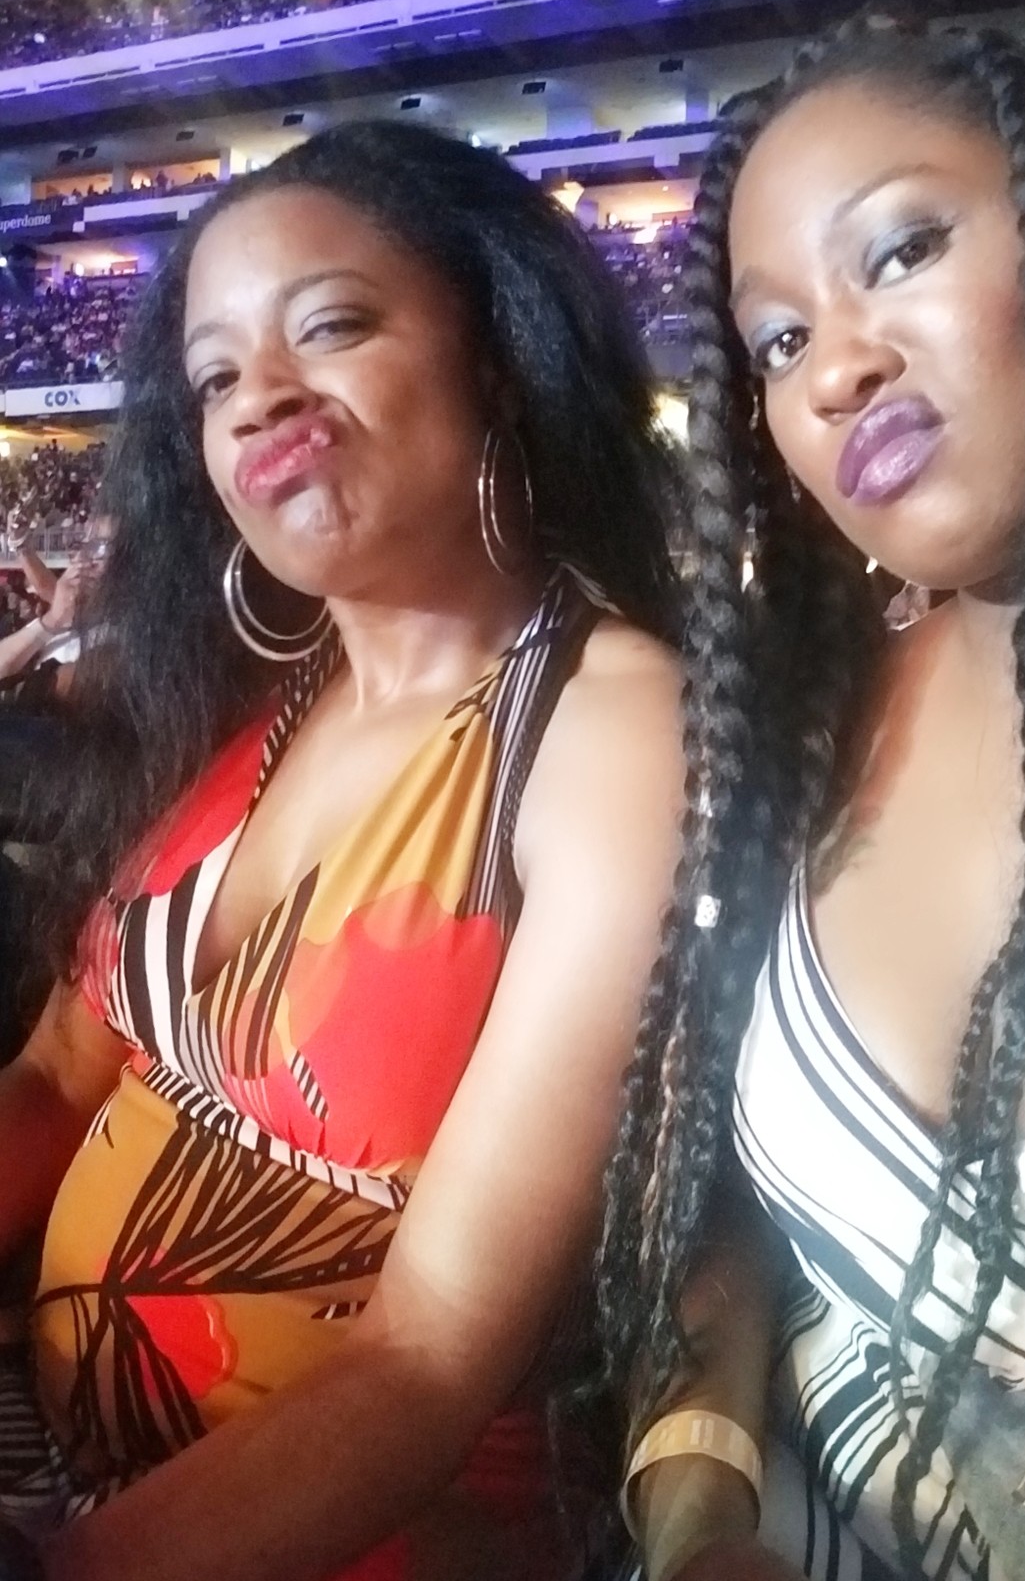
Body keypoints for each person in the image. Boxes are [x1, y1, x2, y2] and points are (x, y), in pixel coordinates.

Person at [0, 118, 683, 1581]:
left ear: (496, 360)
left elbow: (429, 1361)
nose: (261, 397)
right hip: (49, 1467)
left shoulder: (610, 726)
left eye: (332, 326)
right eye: (215, 376)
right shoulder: (232, 692)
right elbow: (56, 1077)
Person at [599, 16, 1025, 1581]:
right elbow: (727, 1200)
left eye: (904, 250)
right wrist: (698, 1508)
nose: (836, 366)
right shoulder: (802, 721)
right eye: (776, 339)